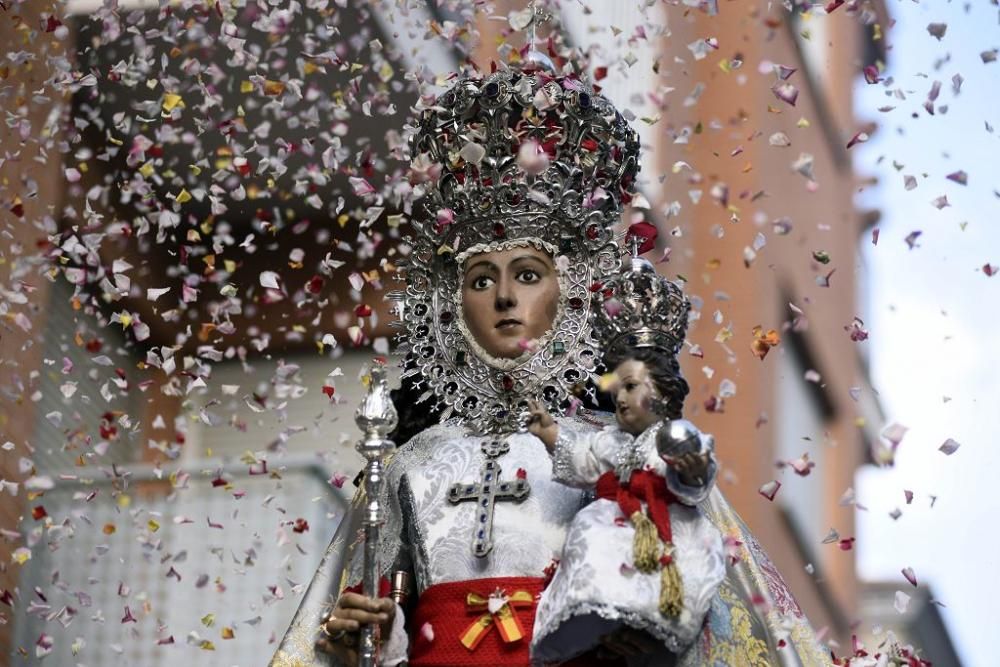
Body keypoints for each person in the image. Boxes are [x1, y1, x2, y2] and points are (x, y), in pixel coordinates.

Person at [270, 65, 829, 667]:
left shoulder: (613, 449)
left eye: (528, 276)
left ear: (570, 293)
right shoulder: (410, 462)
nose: (506, 298)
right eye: (482, 280)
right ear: (452, 303)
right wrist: (367, 642)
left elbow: (703, 612)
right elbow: (352, 640)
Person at [525, 259, 727, 666]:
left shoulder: (674, 437)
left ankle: (658, 624)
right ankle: (590, 614)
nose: (618, 397)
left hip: (665, 524)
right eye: (615, 388)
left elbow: (696, 474)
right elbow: (582, 462)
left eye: (630, 387)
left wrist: (691, 470)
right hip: (612, 522)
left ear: (665, 394)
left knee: (685, 564)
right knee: (589, 541)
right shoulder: (608, 440)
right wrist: (551, 435)